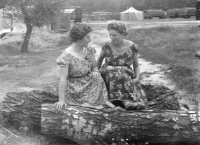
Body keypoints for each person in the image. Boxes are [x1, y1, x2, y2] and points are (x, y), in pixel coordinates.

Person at [54, 23, 114, 110]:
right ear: (79, 39)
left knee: (98, 78)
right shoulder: (66, 56)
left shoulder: (89, 50)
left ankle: (100, 104)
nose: (90, 40)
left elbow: (94, 66)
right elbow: (62, 79)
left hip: (89, 82)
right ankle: (87, 105)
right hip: (74, 86)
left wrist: (95, 71)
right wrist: (61, 100)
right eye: (87, 37)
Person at [97, 22, 147, 110]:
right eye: (110, 35)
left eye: (114, 35)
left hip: (125, 74)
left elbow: (136, 66)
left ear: (123, 34)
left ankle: (127, 102)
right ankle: (127, 102)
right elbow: (99, 60)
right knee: (113, 69)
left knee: (120, 71)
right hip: (107, 72)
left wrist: (137, 78)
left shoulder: (133, 47)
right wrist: (96, 74)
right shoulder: (107, 45)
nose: (112, 37)